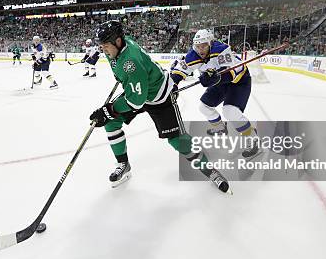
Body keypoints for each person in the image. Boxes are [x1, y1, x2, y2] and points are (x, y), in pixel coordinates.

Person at [89, 20, 230, 193]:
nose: (103, 50)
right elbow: (128, 81)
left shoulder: (130, 61)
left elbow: (135, 102)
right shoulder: (121, 46)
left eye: (105, 46)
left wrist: (109, 110)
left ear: (118, 41)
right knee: (111, 122)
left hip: (159, 97)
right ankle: (123, 164)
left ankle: (211, 171)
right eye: (102, 46)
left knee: (178, 141)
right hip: (140, 91)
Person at [171, 29, 259, 159]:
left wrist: (213, 78)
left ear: (210, 43)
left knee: (230, 111)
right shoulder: (193, 55)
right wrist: (173, 85)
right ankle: (220, 128)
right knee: (204, 106)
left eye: (204, 45)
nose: (200, 49)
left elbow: (229, 73)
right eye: (198, 46)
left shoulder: (221, 49)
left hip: (239, 81)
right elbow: (179, 71)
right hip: (220, 83)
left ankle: (252, 137)